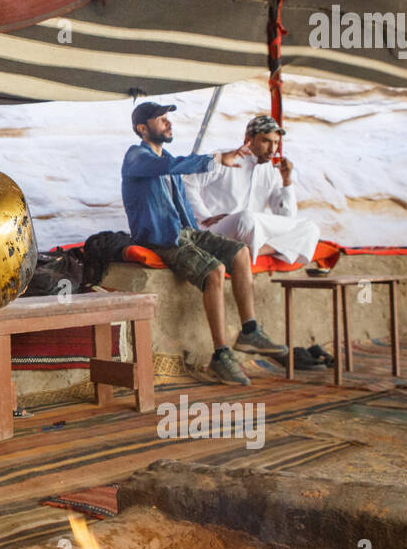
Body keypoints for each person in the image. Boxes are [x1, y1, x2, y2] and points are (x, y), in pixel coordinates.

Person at [121, 101, 287, 385]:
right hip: (160, 237)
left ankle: (249, 330)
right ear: (142, 128)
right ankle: (221, 355)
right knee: (214, 271)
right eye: (161, 120)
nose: (168, 123)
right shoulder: (136, 157)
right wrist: (216, 159)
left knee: (239, 251)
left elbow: (179, 190)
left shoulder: (168, 158)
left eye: (167, 119)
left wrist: (201, 228)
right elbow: (167, 166)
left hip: (183, 231)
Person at [183, 115, 321, 265]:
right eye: (266, 141)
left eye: (276, 143)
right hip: (217, 230)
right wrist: (204, 217)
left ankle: (251, 252)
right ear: (249, 138)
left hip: (252, 231)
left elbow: (287, 218)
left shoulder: (273, 171)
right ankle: (249, 249)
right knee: (246, 218)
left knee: (309, 228)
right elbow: (187, 184)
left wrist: (287, 181)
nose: (272, 149)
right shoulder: (223, 157)